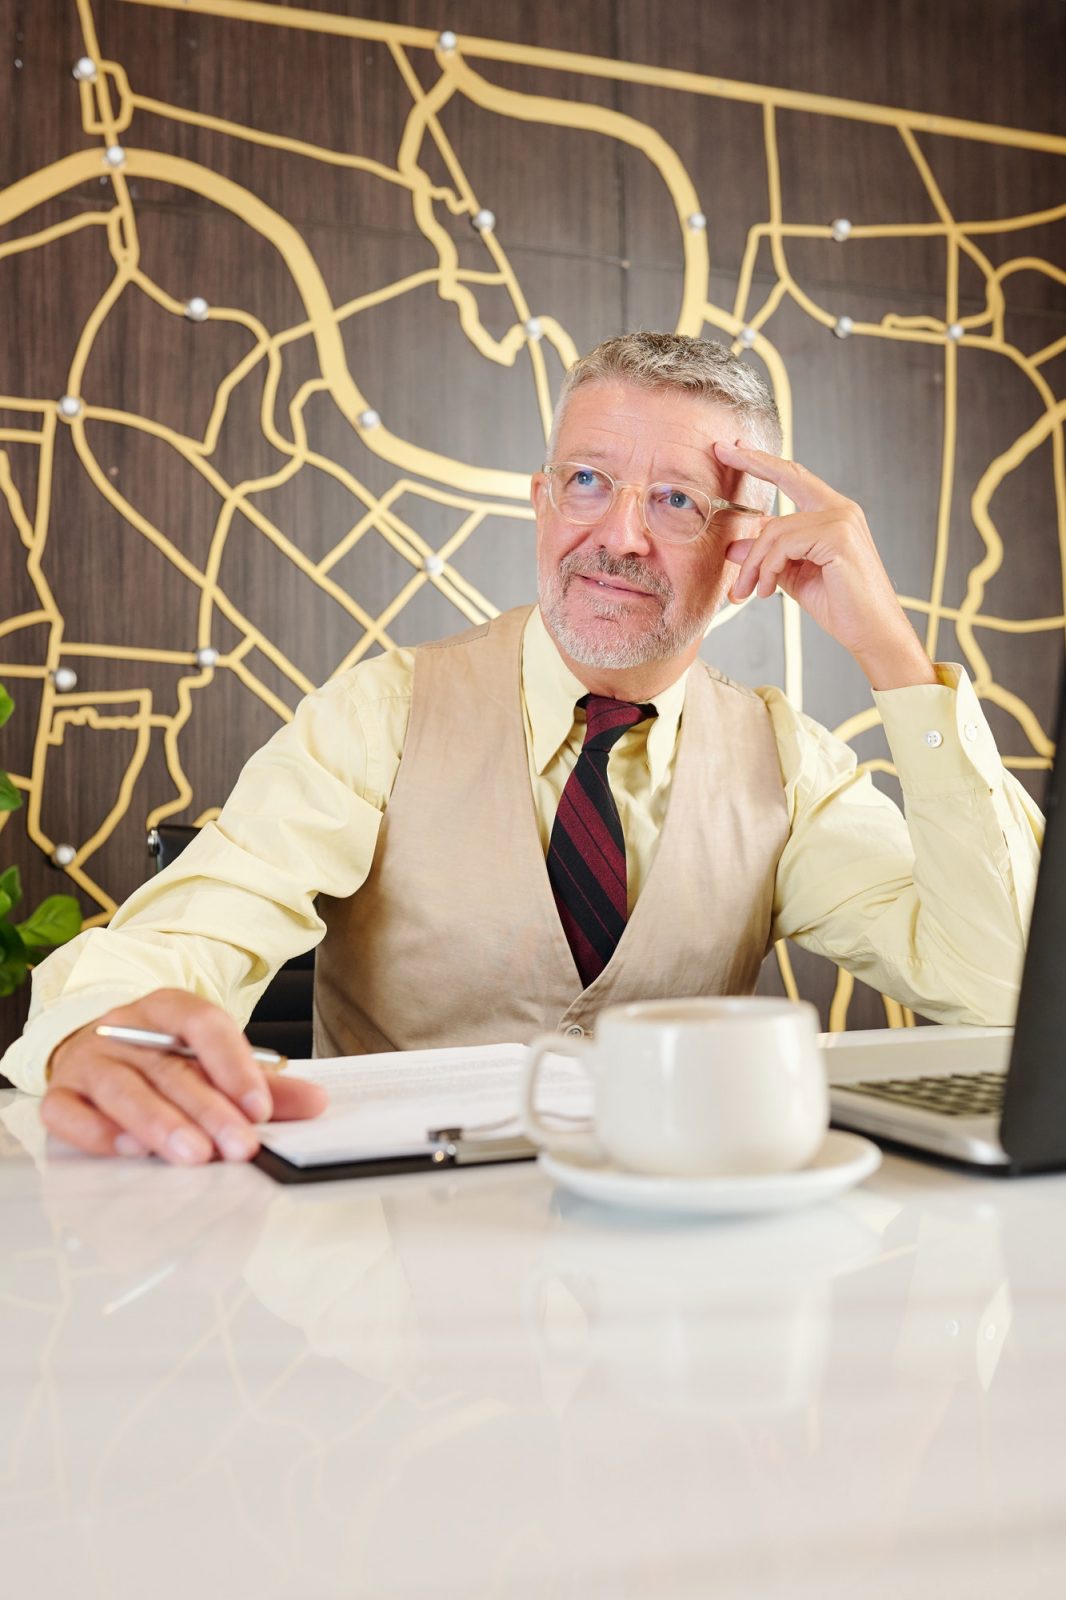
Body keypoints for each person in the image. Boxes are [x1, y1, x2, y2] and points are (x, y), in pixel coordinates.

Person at [0, 333, 1043, 1165]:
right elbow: (186, 932)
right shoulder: (381, 713)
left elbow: (998, 987)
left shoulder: (790, 763)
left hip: (683, 1279)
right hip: (398, 1273)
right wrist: (103, 1029)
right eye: (587, 479)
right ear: (542, 502)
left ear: (747, 554)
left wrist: (894, 658)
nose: (620, 534)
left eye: (678, 499)